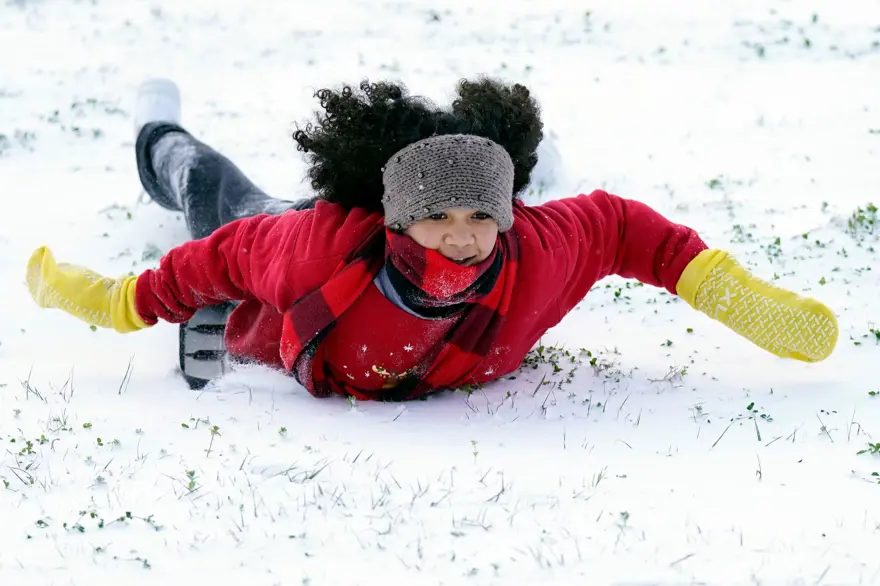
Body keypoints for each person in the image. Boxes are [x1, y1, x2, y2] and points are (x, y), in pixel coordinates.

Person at [25, 77, 839, 401]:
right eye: (438, 219)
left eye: (480, 216)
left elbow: (625, 229)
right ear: (398, 219)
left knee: (517, 194)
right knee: (218, 196)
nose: (460, 237)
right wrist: (120, 300)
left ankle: (530, 161)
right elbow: (219, 259)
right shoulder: (317, 245)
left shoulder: (533, 250)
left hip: (488, 230)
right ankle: (155, 124)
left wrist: (726, 290)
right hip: (287, 241)